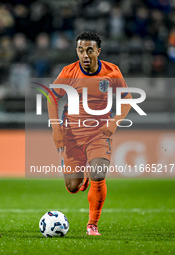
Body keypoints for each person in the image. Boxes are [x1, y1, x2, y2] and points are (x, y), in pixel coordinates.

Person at [47, 31, 132, 235]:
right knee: (72, 187)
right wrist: (56, 129)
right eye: (80, 50)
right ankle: (81, 178)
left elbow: (127, 98)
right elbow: (52, 97)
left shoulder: (112, 72)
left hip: (99, 135)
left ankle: (92, 224)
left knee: (98, 173)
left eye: (89, 50)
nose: (84, 55)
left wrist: (114, 122)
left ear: (98, 51)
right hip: (72, 136)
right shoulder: (68, 72)